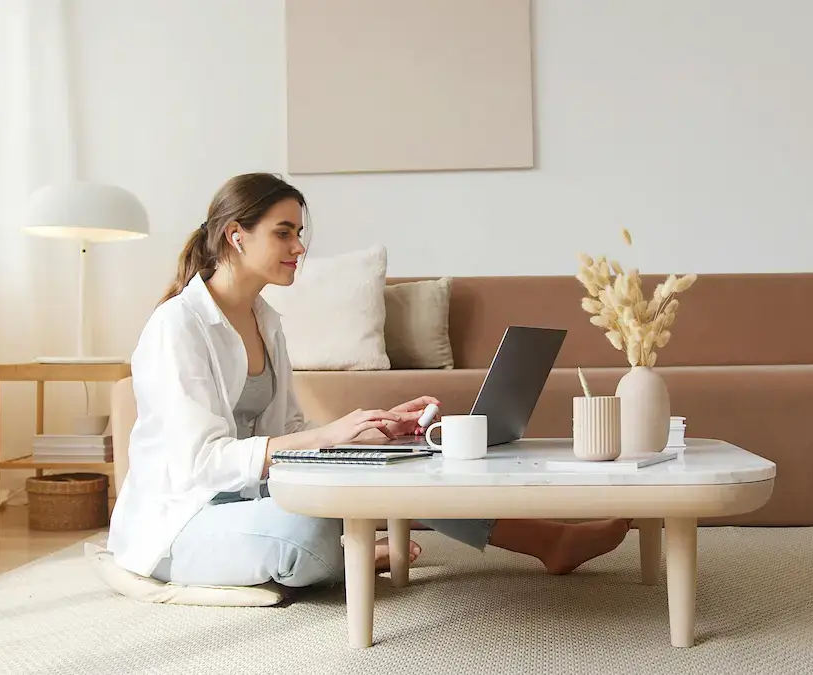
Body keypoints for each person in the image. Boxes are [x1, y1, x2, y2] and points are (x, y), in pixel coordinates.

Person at [106, 173, 630, 589]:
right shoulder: (179, 325)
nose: (298, 246)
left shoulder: (267, 320)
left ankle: (549, 541)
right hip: (182, 518)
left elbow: (288, 428)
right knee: (312, 528)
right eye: (283, 232)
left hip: (250, 495)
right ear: (235, 235)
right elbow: (202, 463)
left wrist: (369, 432)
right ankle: (344, 553)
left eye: (299, 233)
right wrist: (330, 436)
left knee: (402, 469)